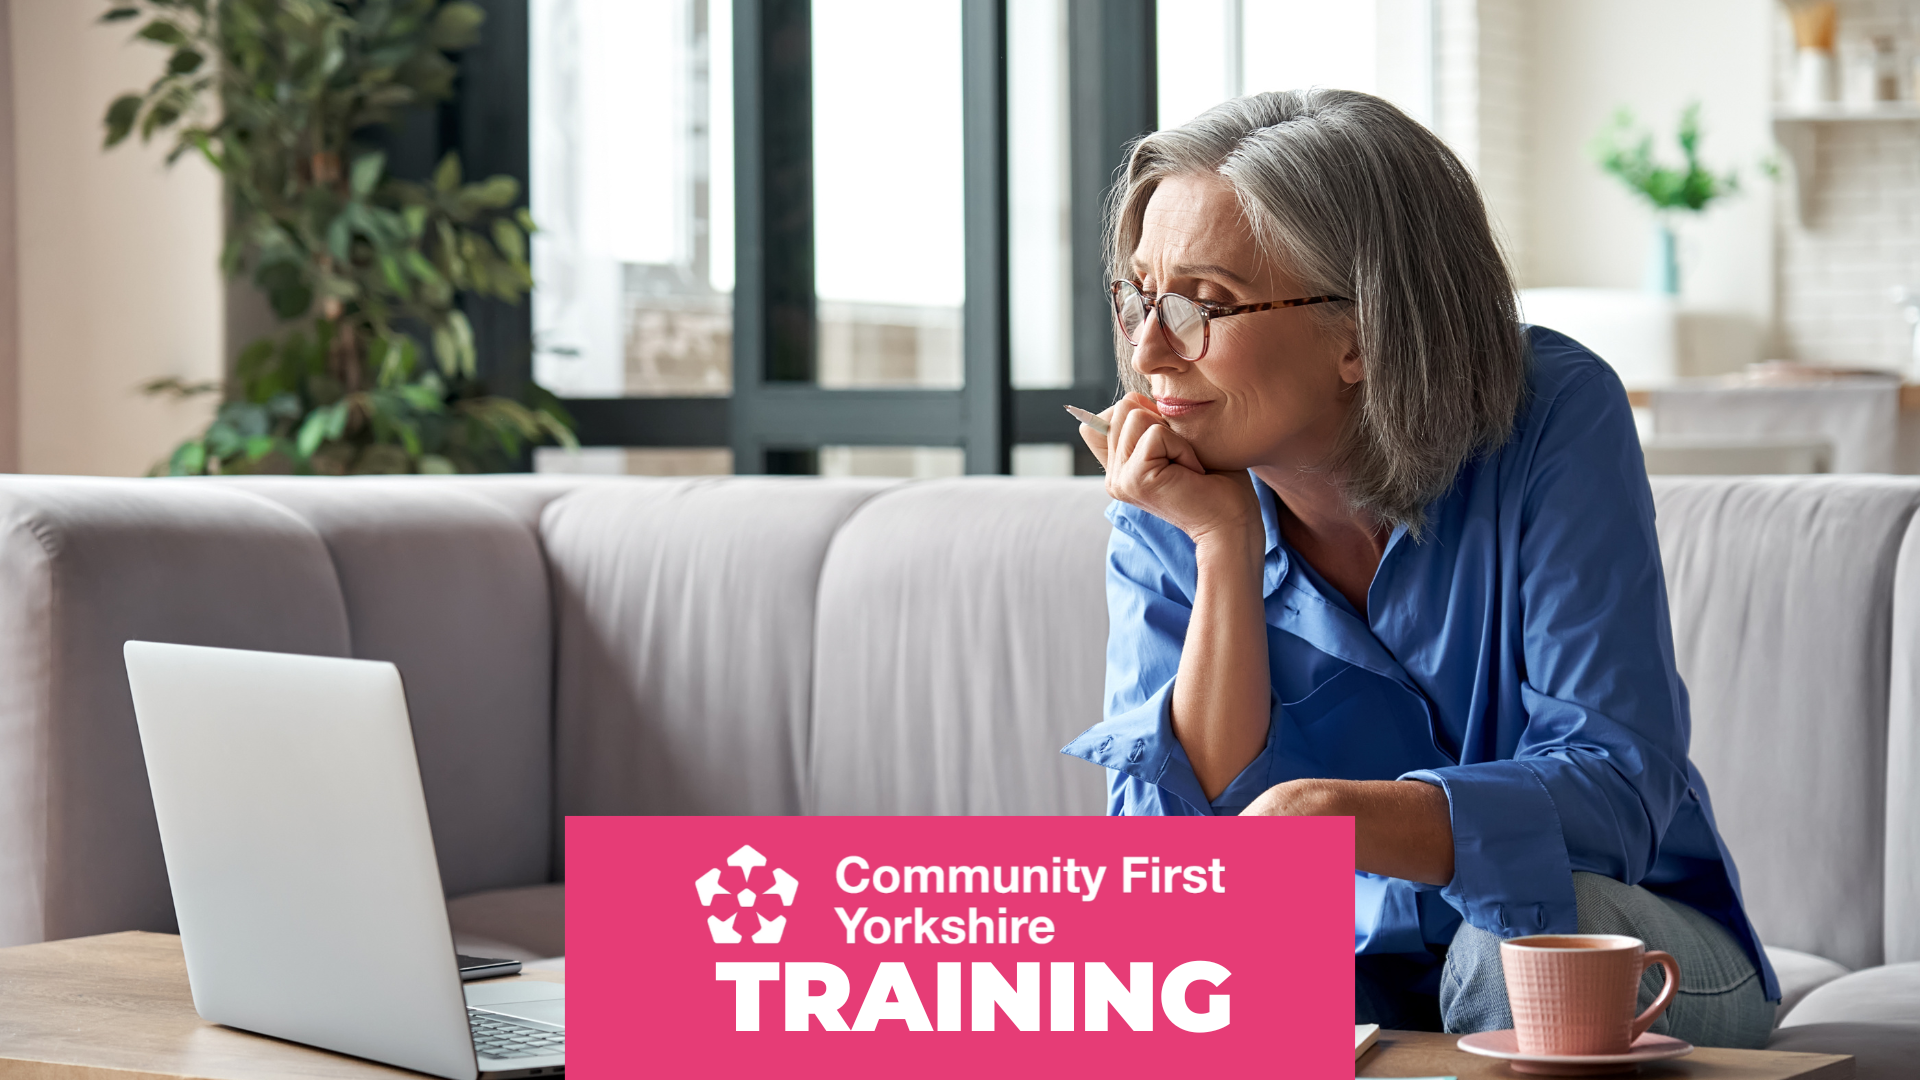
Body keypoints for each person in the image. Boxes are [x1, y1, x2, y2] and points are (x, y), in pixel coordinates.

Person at [1060, 89, 1778, 1047]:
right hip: (1358, 980)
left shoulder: (1555, 417)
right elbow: (1172, 879)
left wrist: (1345, 816)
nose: (1149, 351)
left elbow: (1616, 789)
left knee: (1507, 952)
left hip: (1626, 943)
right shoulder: (1172, 490)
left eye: (1203, 304)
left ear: (1362, 332)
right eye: (1138, 297)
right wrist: (1223, 549)